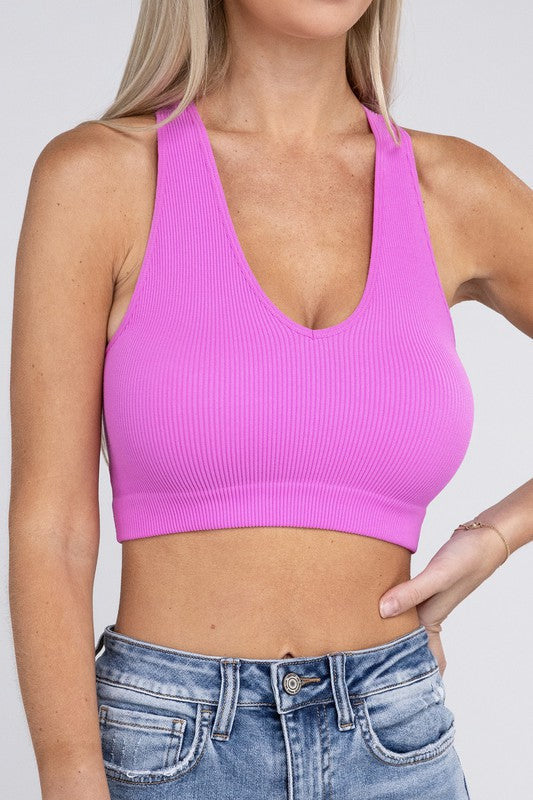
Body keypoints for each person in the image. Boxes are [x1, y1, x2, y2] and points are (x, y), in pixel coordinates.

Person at [9, 1, 532, 799]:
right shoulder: (99, 177)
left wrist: (495, 536)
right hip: (167, 749)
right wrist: (70, 773)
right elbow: (52, 530)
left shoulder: (453, 188)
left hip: (396, 739)